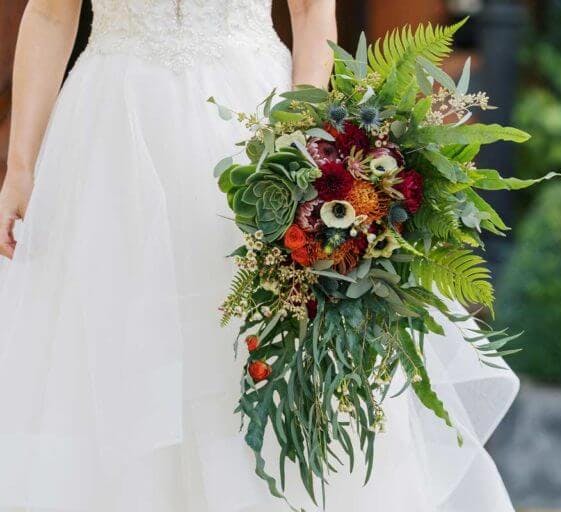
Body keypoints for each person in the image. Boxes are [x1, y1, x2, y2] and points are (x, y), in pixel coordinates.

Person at [0, 1, 519, 510]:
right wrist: (20, 168)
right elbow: (49, 13)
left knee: (246, 353)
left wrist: (305, 146)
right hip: (109, 138)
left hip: (251, 122)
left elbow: (313, 12)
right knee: (114, 356)